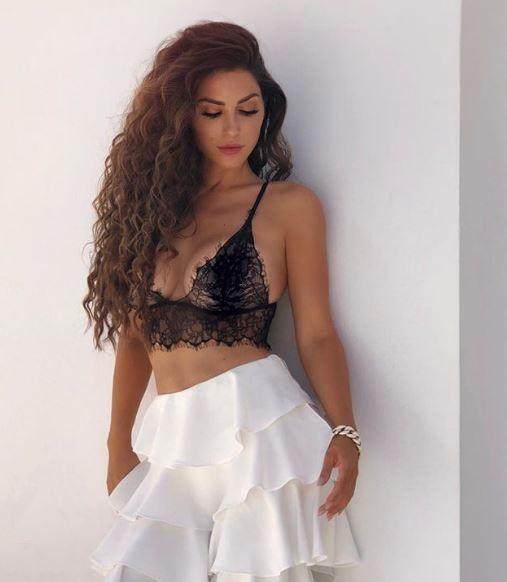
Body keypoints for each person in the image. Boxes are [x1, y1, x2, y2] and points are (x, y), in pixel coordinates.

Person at [83, 19, 362, 581]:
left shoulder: (289, 206)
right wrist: (117, 443)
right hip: (172, 439)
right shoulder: (151, 212)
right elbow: (135, 338)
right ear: (182, 117)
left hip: (257, 430)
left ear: (266, 113)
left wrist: (345, 431)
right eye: (212, 112)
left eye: (248, 110)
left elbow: (316, 333)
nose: (233, 128)